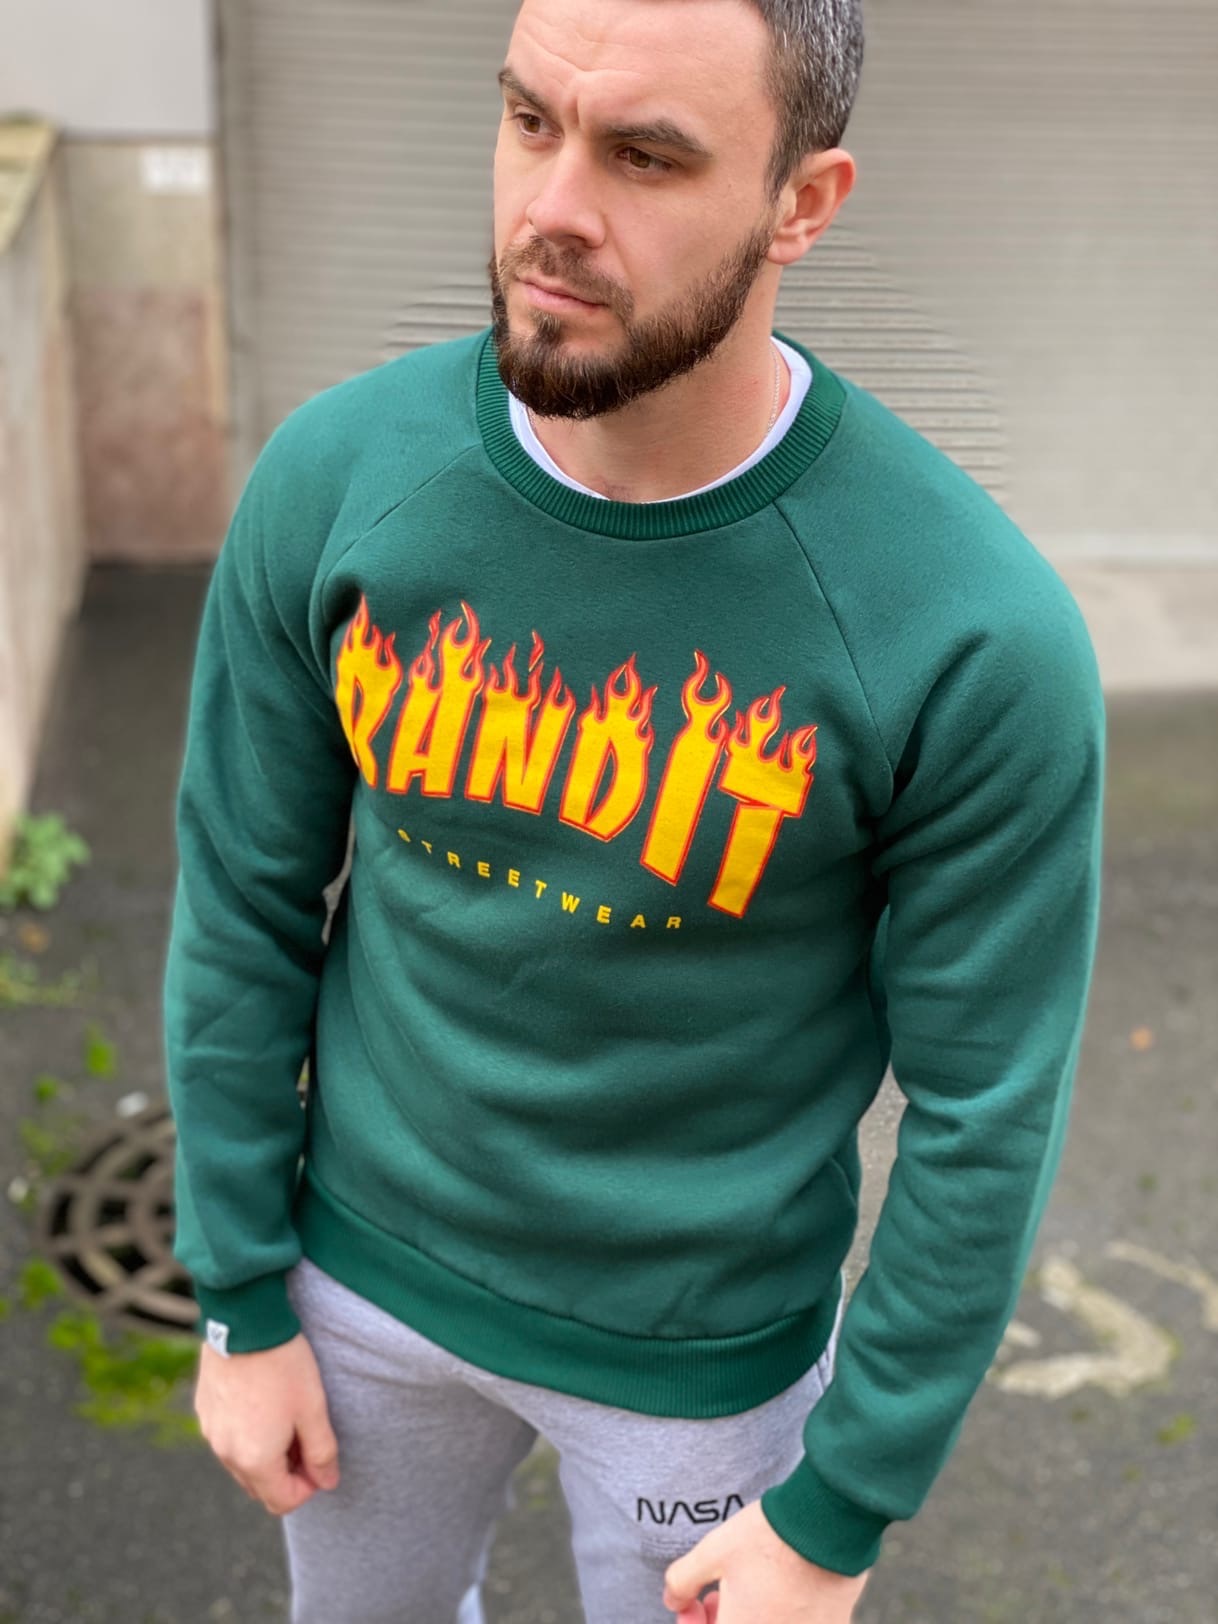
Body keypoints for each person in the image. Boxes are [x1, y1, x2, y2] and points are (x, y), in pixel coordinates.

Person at [162, 0, 1106, 1619]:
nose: (553, 209)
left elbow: (984, 1105)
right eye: (529, 119)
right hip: (355, 1282)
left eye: (645, 157)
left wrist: (835, 1513)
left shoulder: (964, 633)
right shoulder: (336, 481)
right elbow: (241, 898)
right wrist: (240, 1293)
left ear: (802, 203)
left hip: (700, 1362)